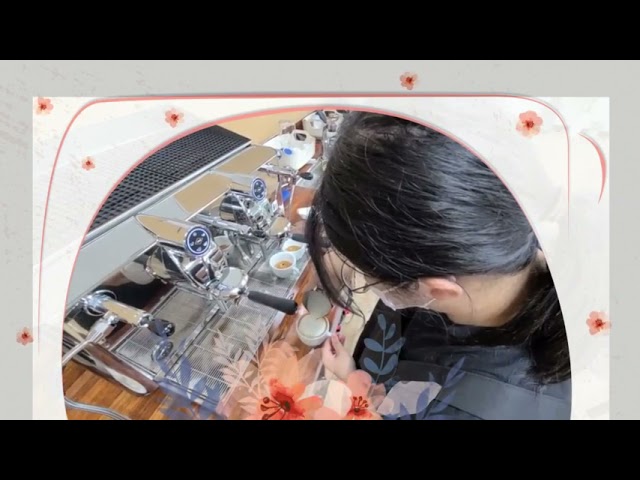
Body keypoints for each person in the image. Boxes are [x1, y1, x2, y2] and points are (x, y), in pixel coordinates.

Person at [305, 111, 571, 420]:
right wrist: (354, 379)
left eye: (367, 273)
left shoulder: (461, 409)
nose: (364, 278)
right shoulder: (520, 238)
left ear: (438, 290)